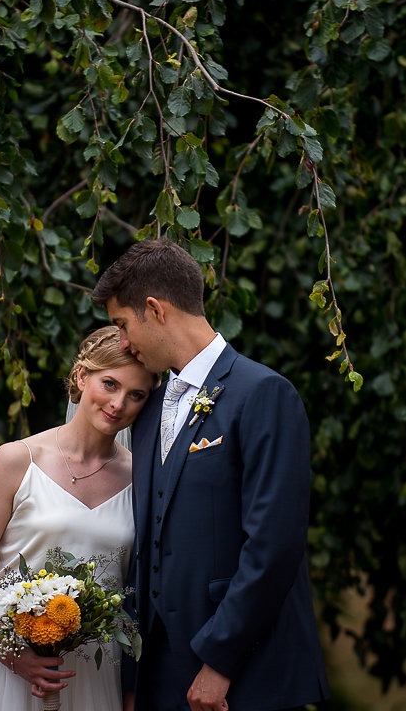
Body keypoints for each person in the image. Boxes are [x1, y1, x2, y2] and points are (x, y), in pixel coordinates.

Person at [91, 239, 330, 711]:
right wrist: (135, 676)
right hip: (160, 679)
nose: (122, 344)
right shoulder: (149, 409)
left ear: (155, 310)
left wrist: (221, 661)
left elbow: (274, 545)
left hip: (241, 678)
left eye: (122, 325)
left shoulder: (263, 394)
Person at [0, 325, 158, 711]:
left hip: (95, 671)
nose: (118, 404)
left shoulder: (144, 479)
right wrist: (16, 655)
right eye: (109, 384)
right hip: (7, 666)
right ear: (82, 376)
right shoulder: (16, 460)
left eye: (136, 395)